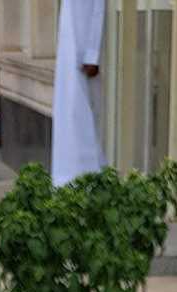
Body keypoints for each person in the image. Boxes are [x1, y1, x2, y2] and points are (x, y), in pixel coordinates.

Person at [50, 0, 105, 185]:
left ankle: (86, 178)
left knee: (83, 118)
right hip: (70, 52)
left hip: (84, 58)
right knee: (69, 116)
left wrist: (92, 55)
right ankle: (69, 179)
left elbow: (98, 8)